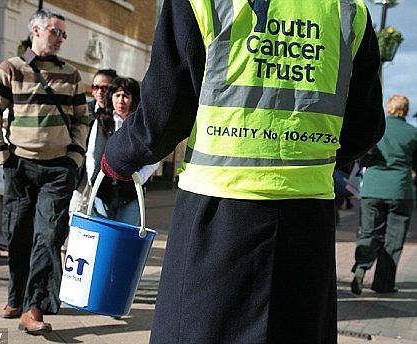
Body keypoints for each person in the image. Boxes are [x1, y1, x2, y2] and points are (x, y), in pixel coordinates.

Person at [100, 1, 385, 343]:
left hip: (217, 211)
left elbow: (166, 110)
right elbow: (364, 127)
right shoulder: (348, 10)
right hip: (307, 218)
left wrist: (117, 156)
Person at [0, 8, 88, 334]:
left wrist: (74, 158)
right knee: (19, 235)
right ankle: (16, 296)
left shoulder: (71, 74)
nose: (60, 39)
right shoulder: (9, 69)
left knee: (49, 234)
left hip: (58, 168)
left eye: (64, 35)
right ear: (36, 31)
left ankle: (34, 307)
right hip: (20, 167)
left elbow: (82, 119)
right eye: (56, 32)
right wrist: (4, 156)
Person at [351, 94, 417, 295]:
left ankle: (361, 268)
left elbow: (361, 158)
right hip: (400, 190)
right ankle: (383, 284)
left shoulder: (376, 129)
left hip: (373, 189)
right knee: (394, 240)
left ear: (388, 108)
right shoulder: (413, 133)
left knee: (369, 232)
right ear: (405, 110)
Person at [87, 77, 158, 224]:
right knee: (104, 235)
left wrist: (138, 179)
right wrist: (92, 179)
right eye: (117, 95)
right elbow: (92, 153)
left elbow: (154, 158)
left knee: (124, 237)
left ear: (133, 99)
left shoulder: (141, 125)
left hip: (130, 195)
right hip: (103, 192)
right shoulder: (102, 121)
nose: (121, 100)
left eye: (126, 96)